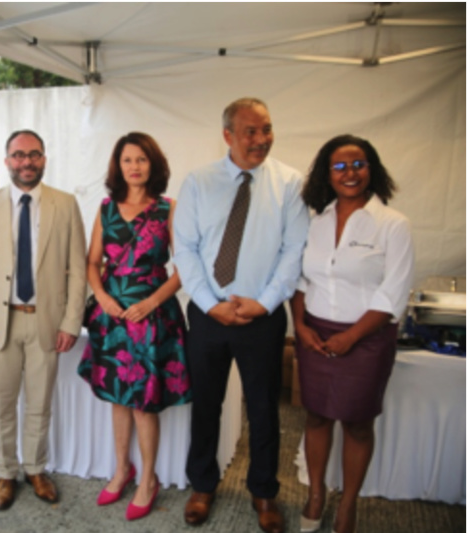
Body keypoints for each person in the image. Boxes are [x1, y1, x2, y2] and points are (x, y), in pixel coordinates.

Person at [173, 98, 310, 533]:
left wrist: (265, 303)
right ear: (228, 135)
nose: (261, 139)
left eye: (266, 129)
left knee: (266, 407)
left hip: (262, 316)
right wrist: (212, 304)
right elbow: (186, 249)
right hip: (208, 314)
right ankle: (202, 485)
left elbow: (294, 251)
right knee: (206, 404)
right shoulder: (199, 182)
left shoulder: (289, 183)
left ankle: (265, 492)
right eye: (250, 131)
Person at [291, 135, 414, 533]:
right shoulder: (317, 221)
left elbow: (394, 291)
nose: (350, 173)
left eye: (358, 164)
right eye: (340, 166)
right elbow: (301, 281)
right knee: (316, 416)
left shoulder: (392, 224)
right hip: (315, 333)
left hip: (368, 336)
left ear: (372, 169)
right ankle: (316, 496)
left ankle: (348, 506)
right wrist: (301, 327)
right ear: (327, 174)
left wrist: (351, 337)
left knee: (358, 423)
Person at [0, 129, 86, 511]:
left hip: (46, 322)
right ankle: (6, 472)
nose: (26, 162)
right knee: (2, 404)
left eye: (34, 154)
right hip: (1, 323)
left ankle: (36, 468)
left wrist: (71, 322)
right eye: (19, 156)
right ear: (7, 162)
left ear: (44, 159)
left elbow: (77, 269)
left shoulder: (65, 204)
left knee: (39, 402)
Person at [77, 132, 191, 521]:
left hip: (152, 316)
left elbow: (185, 268)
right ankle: (122, 469)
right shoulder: (106, 208)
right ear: (118, 166)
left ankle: (148, 479)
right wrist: (104, 298)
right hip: (112, 318)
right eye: (127, 160)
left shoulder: (169, 209)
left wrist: (151, 301)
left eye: (141, 159)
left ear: (153, 164)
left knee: (143, 402)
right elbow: (92, 262)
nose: (135, 166)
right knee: (117, 397)